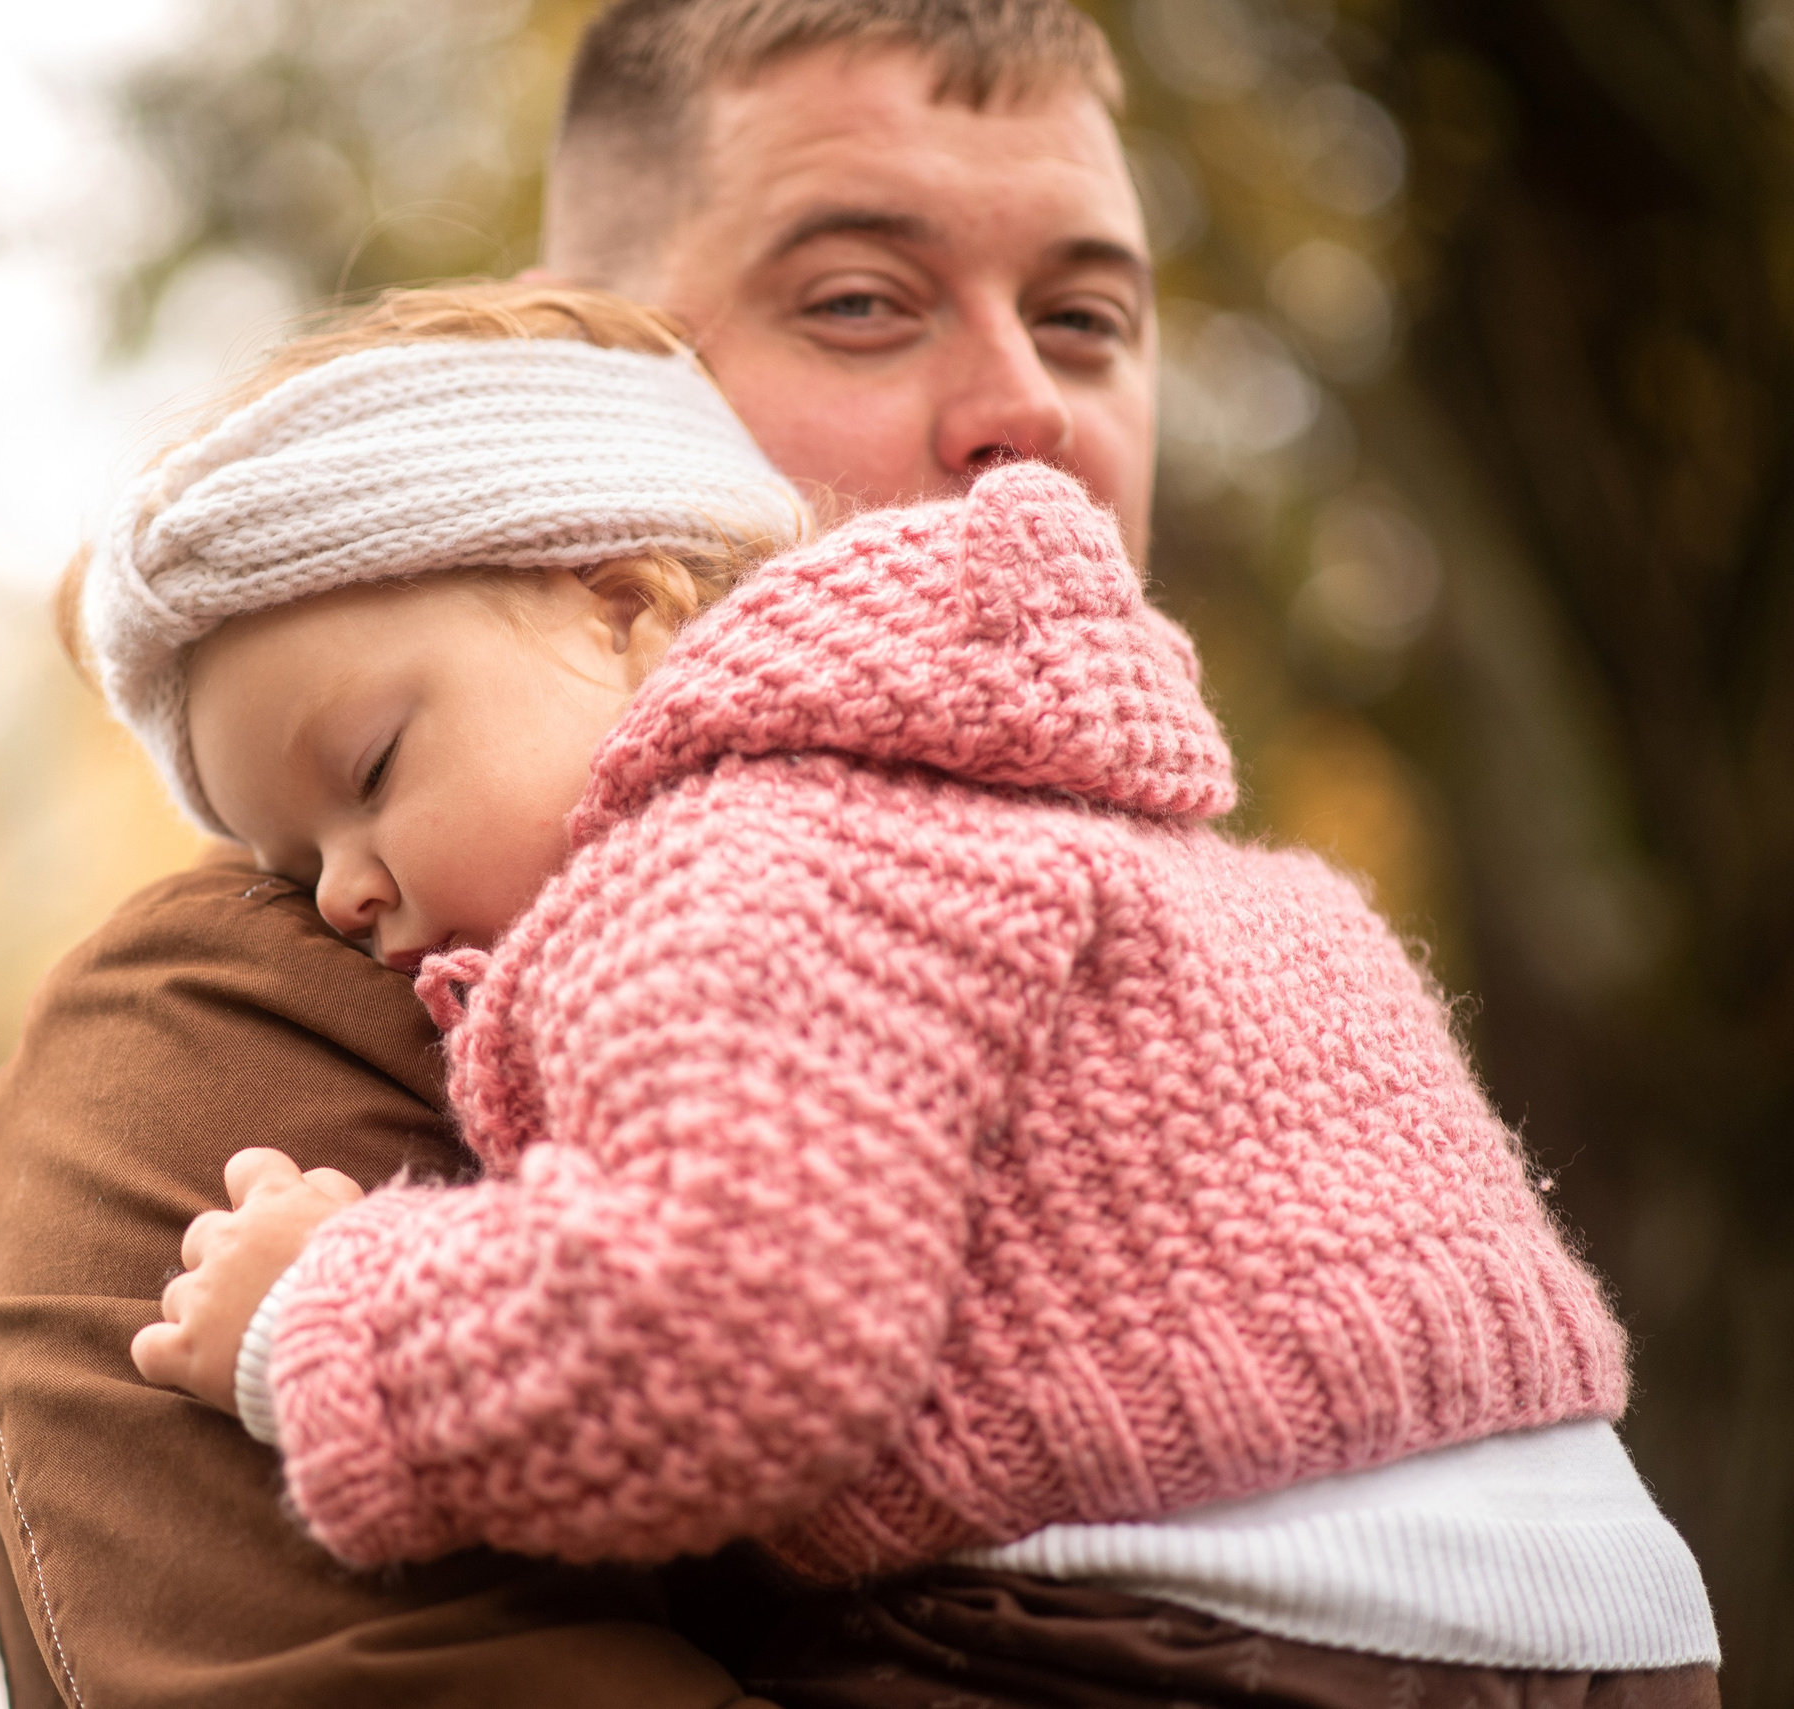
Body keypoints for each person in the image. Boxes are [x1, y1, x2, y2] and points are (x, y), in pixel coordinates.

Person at [93, 278, 1720, 1702]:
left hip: (1216, 1634)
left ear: (625, 607)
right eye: (287, 859)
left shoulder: (729, 864)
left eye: (366, 771)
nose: (340, 889)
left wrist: (324, 1311)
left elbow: (724, 1339)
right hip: (1594, 1606)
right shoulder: (1031, 803)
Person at [0, 1, 1160, 1702]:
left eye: (1088, 319)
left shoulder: (1191, 934)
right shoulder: (263, 1018)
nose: (1026, 403)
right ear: (612, 402)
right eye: (861, 302)